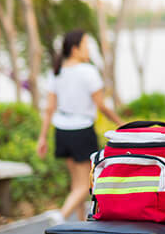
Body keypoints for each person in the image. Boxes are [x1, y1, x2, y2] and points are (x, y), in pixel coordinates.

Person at [37, 30, 122, 223]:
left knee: (76, 183)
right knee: (85, 184)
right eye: (85, 45)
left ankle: (81, 224)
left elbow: (49, 108)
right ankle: (61, 216)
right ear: (75, 49)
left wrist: (42, 137)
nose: (88, 49)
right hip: (81, 131)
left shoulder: (57, 72)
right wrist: (121, 124)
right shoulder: (88, 71)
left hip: (62, 131)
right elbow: (101, 106)